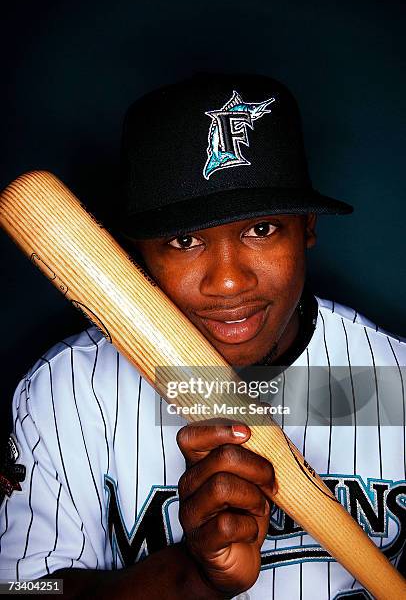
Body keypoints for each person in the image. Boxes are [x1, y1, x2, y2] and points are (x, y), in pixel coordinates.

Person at [0, 73, 405, 600]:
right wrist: (189, 579)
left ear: (306, 225)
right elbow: (20, 590)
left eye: (261, 229)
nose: (229, 280)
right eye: (184, 239)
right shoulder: (67, 392)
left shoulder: (392, 377)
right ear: (134, 254)